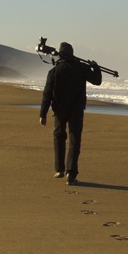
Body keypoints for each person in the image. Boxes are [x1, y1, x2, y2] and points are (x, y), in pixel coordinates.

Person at [39, 42, 102, 185]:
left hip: (59, 110)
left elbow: (47, 94)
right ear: (72, 53)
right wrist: (95, 67)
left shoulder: (54, 72)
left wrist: (42, 114)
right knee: (74, 141)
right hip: (76, 110)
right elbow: (97, 81)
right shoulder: (81, 68)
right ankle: (71, 174)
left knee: (59, 137)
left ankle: (59, 169)